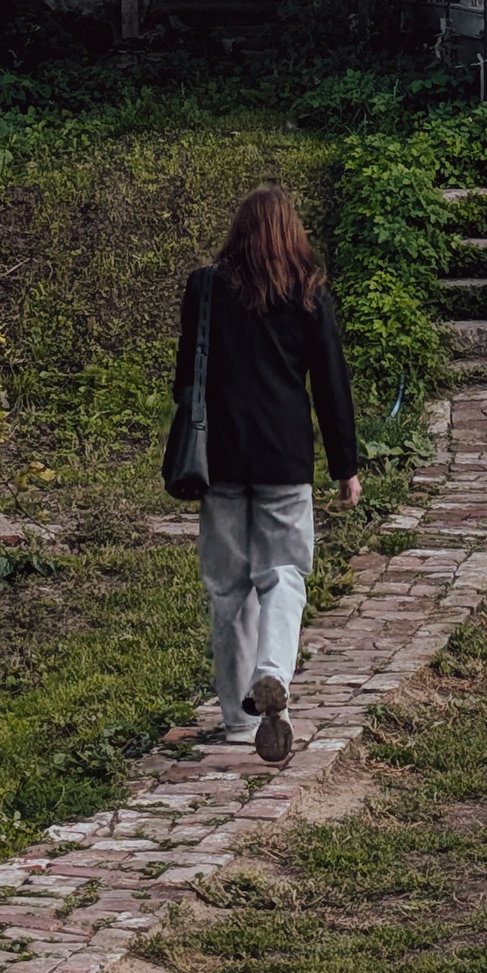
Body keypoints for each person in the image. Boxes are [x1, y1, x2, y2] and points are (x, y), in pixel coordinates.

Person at [173, 180, 361, 765]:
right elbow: (331, 385)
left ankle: (235, 721)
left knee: (228, 590)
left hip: (220, 460)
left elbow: (185, 378)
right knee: (283, 575)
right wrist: (345, 466)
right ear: (291, 235)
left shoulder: (205, 289)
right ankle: (273, 673)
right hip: (285, 458)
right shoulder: (308, 293)